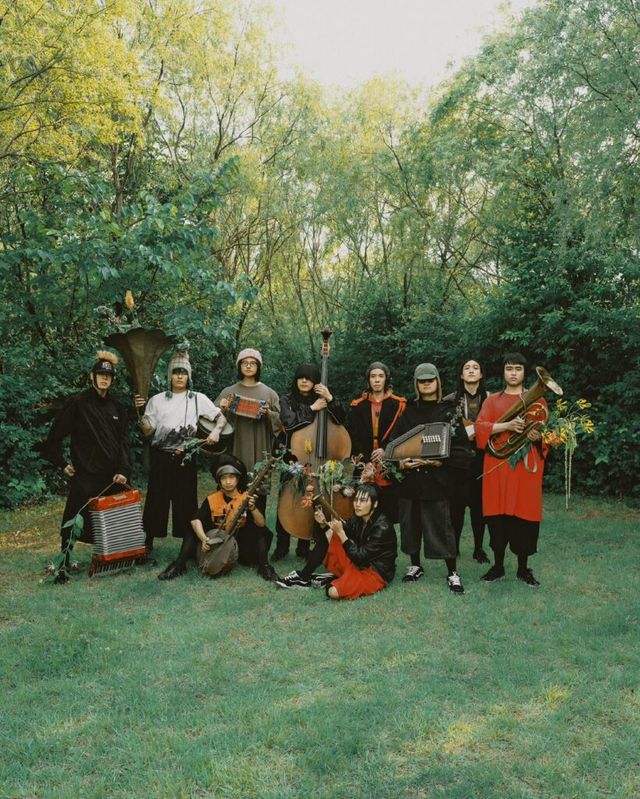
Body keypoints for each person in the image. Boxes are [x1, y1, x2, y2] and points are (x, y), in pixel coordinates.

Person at [135, 346, 226, 570]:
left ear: (188, 376)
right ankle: (147, 542)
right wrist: (139, 413)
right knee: (156, 499)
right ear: (170, 375)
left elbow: (220, 417)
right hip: (161, 456)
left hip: (186, 457)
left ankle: (189, 543)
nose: (179, 376)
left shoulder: (198, 399)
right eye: (176, 372)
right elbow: (147, 431)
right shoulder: (156, 400)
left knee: (186, 501)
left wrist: (216, 431)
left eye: (183, 372)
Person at [43, 351, 130, 582]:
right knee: (73, 518)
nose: (104, 379)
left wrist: (123, 469)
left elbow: (123, 442)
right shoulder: (78, 403)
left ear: (112, 380)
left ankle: (113, 558)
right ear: (92, 376)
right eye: (100, 375)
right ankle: (63, 562)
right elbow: (55, 436)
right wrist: (62, 463)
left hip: (112, 476)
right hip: (85, 474)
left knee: (113, 519)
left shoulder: (118, 407)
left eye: (108, 376)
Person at [388, 363, 466, 594]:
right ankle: (415, 565)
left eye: (430, 380)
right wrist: (402, 462)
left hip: (437, 481)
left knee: (442, 526)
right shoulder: (409, 411)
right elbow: (393, 444)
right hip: (411, 481)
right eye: (422, 381)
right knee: (410, 525)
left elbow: (462, 448)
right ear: (416, 384)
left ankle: (452, 571)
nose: (426, 384)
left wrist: (440, 462)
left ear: (437, 381)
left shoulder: (449, 411)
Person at [474, 353, 547, 587]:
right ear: (503, 372)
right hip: (497, 466)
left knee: (524, 515)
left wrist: (536, 436)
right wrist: (507, 425)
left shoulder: (538, 401)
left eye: (518, 369)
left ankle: (523, 569)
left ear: (524, 373)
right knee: (497, 517)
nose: (513, 373)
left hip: (524, 468)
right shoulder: (491, 401)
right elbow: (479, 428)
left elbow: (546, 434)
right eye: (509, 369)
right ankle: (498, 567)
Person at [271, 362, 347, 561]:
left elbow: (342, 419)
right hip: (293, 458)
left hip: (318, 461)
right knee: (287, 501)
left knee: (313, 502)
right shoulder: (286, 400)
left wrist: (330, 399)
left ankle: (304, 546)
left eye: (309, 378)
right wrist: (312, 408)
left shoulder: (323, 400)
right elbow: (289, 422)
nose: (304, 381)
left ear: (315, 382)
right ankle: (281, 546)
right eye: (301, 377)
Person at [276, 484, 396, 599]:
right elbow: (335, 533)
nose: (357, 504)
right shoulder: (358, 518)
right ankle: (304, 577)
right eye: (356, 500)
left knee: (332, 592)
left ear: (375, 504)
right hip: (359, 565)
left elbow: (360, 557)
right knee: (331, 533)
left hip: (375, 574)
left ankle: (332, 579)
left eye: (363, 501)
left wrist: (341, 533)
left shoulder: (382, 528)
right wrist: (323, 524)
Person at [183, 456, 279, 582]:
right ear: (219, 481)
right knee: (191, 530)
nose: (228, 482)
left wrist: (253, 508)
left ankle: (264, 567)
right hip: (217, 540)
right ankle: (179, 564)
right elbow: (195, 521)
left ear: (237, 479)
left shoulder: (246, 497)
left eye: (231, 477)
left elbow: (261, 523)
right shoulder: (212, 499)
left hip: (241, 542)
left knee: (261, 532)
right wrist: (204, 539)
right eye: (224, 478)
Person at [215, 348, 281, 513]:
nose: (249, 366)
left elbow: (281, 424)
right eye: (245, 363)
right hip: (235, 448)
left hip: (260, 448)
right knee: (232, 497)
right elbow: (212, 420)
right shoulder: (228, 392)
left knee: (258, 494)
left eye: (253, 363)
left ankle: (258, 527)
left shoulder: (269, 393)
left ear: (259, 367)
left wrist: (268, 413)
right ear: (239, 366)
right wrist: (222, 408)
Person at [442, 358, 490, 563]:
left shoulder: (490, 398)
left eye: (475, 368)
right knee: (456, 508)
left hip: (483, 460)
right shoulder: (449, 400)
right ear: (461, 375)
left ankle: (479, 549)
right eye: (467, 368)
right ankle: (454, 547)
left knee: (479, 508)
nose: (471, 370)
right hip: (457, 462)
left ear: (481, 374)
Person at [348, 361, 406, 524]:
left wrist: (386, 450)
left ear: (386, 378)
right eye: (373, 376)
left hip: (388, 464)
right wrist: (366, 461)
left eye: (381, 376)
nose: (377, 380)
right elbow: (354, 437)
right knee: (363, 513)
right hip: (365, 463)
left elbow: (402, 434)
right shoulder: (358, 406)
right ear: (369, 380)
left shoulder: (399, 404)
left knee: (389, 512)